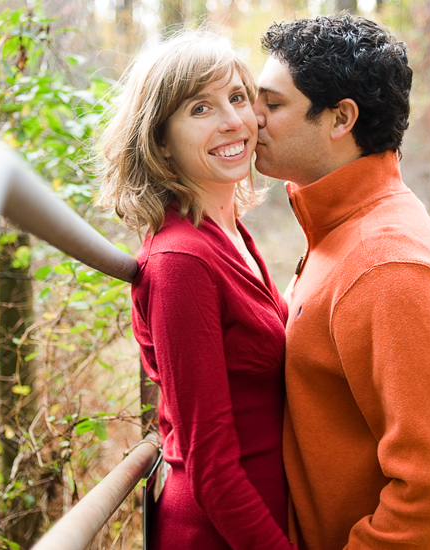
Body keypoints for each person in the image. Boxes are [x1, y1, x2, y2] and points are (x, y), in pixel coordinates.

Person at [252, 13, 430, 550]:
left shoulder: (385, 264)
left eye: (273, 103)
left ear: (340, 119)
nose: (251, 118)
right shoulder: (340, 228)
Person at [98, 32, 295, 550]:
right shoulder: (181, 260)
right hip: (224, 535)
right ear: (160, 139)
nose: (233, 121)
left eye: (236, 98)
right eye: (201, 107)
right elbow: (211, 467)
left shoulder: (229, 234)